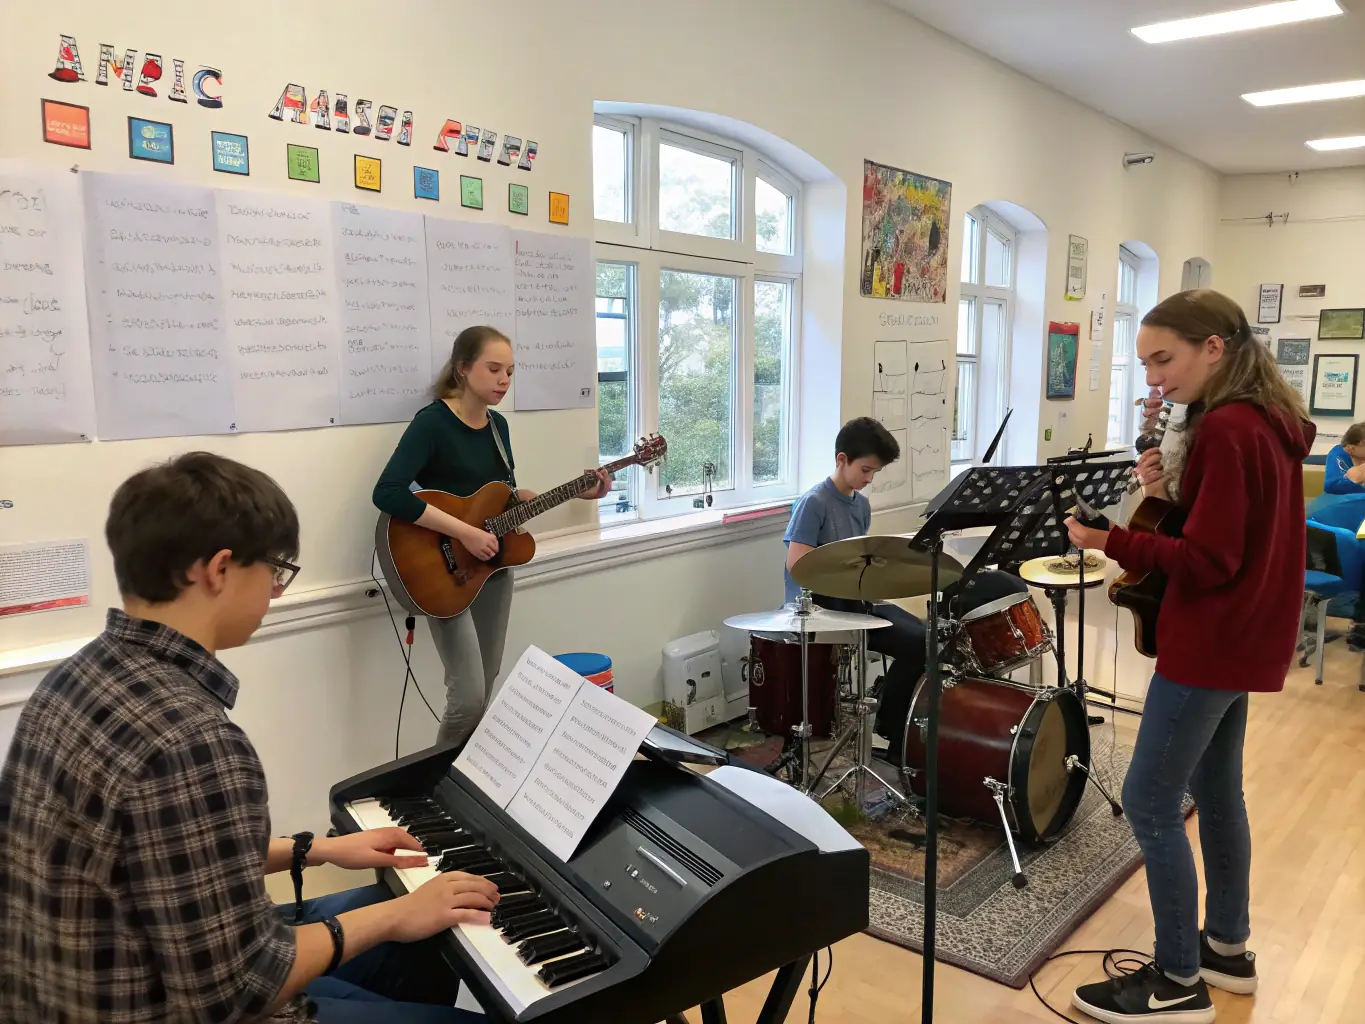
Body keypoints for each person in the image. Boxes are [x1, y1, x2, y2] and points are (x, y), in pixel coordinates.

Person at [0, 452, 499, 1023]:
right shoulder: (190, 740)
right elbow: (239, 990)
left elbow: (165, 857)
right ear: (218, 569)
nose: (276, 593)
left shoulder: (78, 676)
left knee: (417, 923)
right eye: (275, 571)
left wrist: (315, 850)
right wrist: (394, 918)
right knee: (406, 920)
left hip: (77, 981)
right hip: (161, 1003)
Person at [1063, 290, 1313, 1024]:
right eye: (1144, 364)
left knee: (1148, 800)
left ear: (1213, 349)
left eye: (1162, 359)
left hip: (1209, 643)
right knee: (1218, 791)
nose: (1153, 379)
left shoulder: (1227, 427)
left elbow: (1207, 562)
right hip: (1245, 640)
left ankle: (1175, 981)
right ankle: (1225, 949)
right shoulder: (1268, 419)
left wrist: (1110, 540)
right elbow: (1228, 534)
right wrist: (1163, 492)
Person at [373, 326, 609, 748]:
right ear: (463, 368)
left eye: (510, 372)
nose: (504, 380)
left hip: (492, 566)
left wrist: (577, 492)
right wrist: (465, 532)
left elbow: (505, 496)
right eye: (494, 369)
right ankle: (438, 781)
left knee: (487, 680)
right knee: (467, 698)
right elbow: (387, 493)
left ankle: (467, 775)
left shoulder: (498, 426)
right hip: (444, 568)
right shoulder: (432, 424)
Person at [781, 417, 927, 762]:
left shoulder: (861, 505)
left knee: (924, 638)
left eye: (875, 472)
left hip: (854, 603)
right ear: (841, 459)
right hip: (823, 609)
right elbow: (797, 565)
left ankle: (893, 730)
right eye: (865, 469)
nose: (869, 479)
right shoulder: (814, 503)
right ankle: (888, 728)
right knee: (914, 642)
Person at [1323, 421, 1365, 495]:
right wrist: (1354, 479)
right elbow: (1331, 486)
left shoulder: (1359, 455)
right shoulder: (1338, 455)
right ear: (1351, 448)